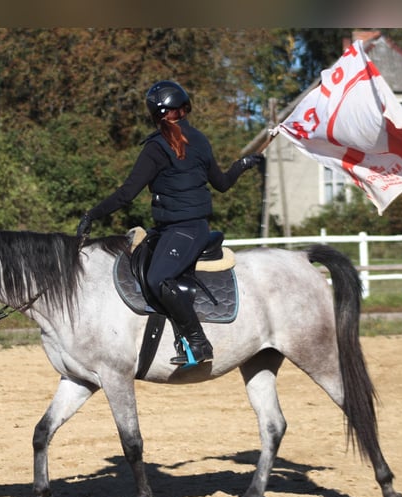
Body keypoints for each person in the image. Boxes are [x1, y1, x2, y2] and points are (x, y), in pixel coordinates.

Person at [76, 80, 263, 366]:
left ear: (155, 113)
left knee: (157, 278)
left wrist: (92, 214)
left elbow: (127, 193)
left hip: (184, 231)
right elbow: (223, 184)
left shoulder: (157, 147)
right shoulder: (198, 139)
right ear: (183, 108)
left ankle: (199, 343)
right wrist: (243, 164)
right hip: (176, 229)